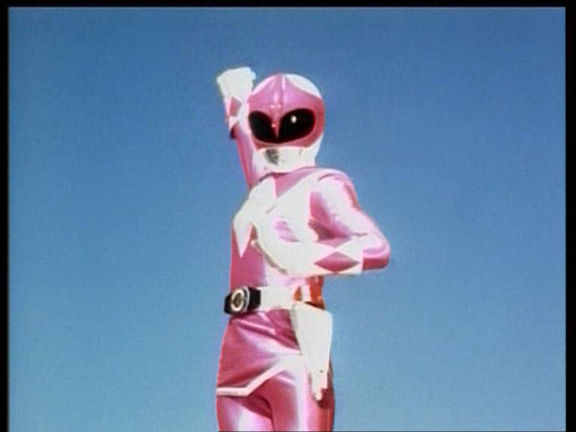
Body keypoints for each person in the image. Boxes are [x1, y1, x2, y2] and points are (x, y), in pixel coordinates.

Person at [215, 66, 391, 431]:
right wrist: (235, 97)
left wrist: (298, 256)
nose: (278, 133)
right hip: (239, 351)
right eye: (265, 124)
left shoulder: (323, 185)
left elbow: (375, 247)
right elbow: (247, 140)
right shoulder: (262, 185)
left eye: (292, 123)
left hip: (291, 342)